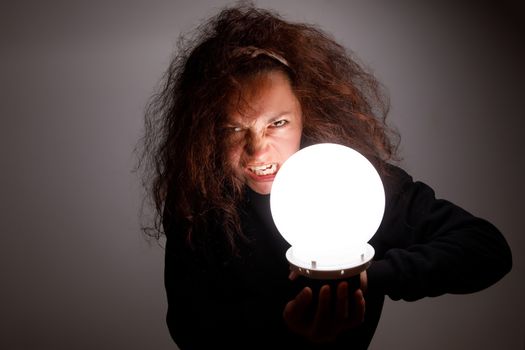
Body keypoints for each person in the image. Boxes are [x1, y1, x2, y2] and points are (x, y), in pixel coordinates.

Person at [139, 4, 512, 349]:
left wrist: (367, 280)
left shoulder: (354, 186)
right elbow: (190, 330)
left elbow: (485, 249)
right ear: (206, 131)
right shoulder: (199, 204)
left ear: (307, 112)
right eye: (232, 129)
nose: (257, 150)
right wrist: (291, 336)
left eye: (278, 123)